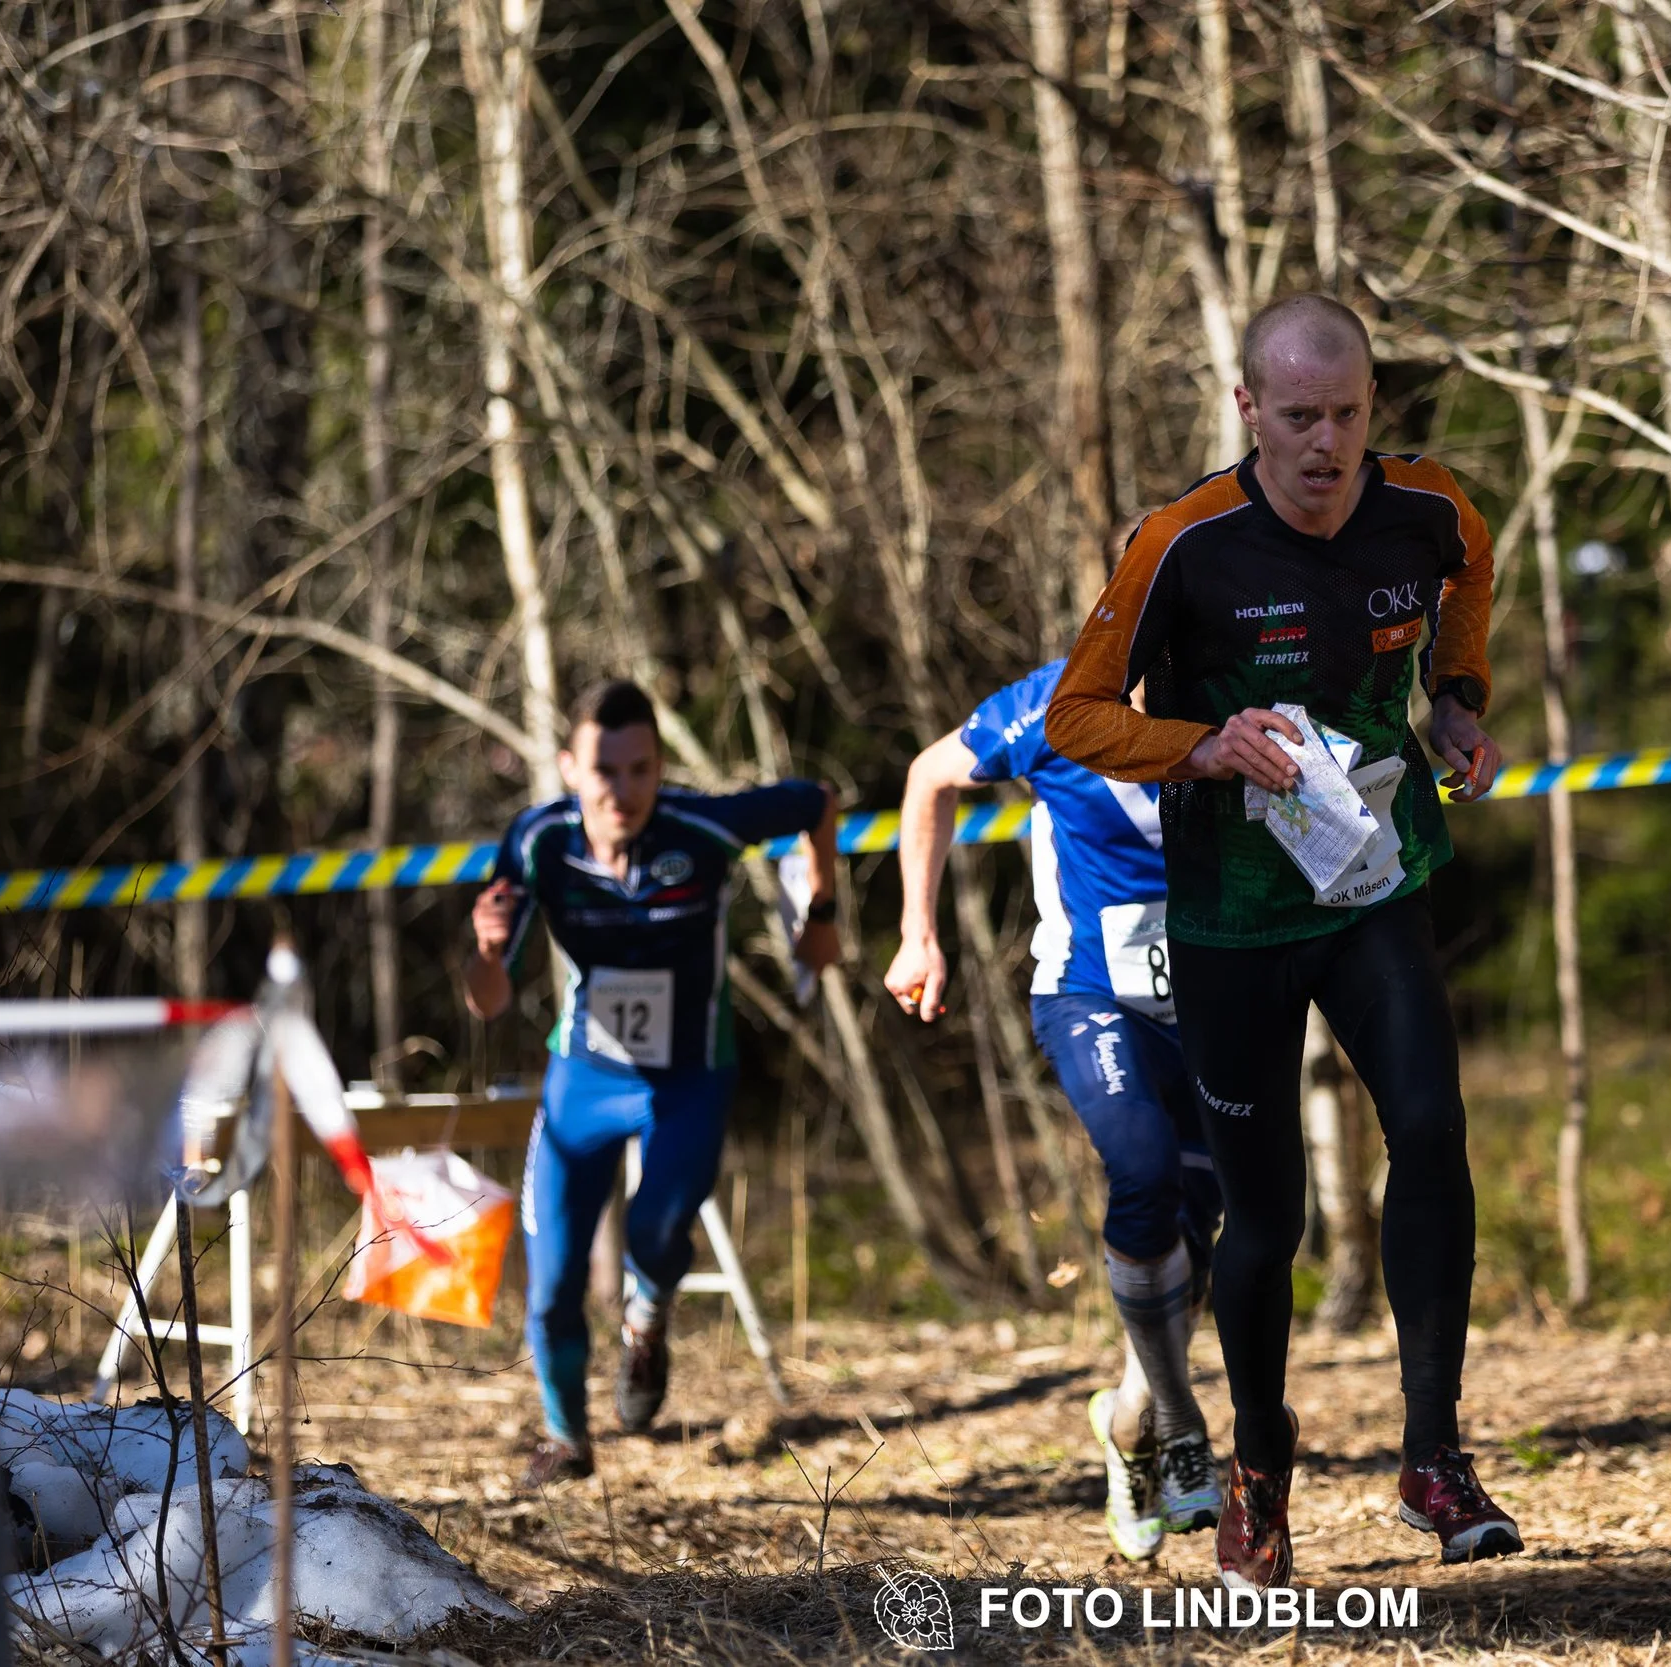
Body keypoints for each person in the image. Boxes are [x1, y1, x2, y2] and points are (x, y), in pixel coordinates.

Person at [1043, 292, 1521, 1587]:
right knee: (1268, 1220)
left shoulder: (1428, 509)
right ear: (1250, 409)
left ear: (1375, 411)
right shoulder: (1184, 544)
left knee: (1429, 1127)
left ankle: (1433, 1450)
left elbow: (1465, 584)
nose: (1326, 445)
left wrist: (1459, 705)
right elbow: (1075, 720)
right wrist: (1199, 744)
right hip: (1232, 922)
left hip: (1372, 889)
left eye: (1348, 415)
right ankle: (1260, 1464)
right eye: (1298, 416)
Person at [883, 664, 1225, 1561]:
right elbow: (929, 775)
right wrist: (920, 930)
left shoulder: (1243, 686)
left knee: (1194, 1241)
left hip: (1218, 1003)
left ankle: (1128, 1425)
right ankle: (1186, 1425)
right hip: (1091, 996)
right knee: (1142, 1173)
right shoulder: (1053, 705)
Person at [465, 679, 839, 1489]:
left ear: (659, 768)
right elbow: (486, 1001)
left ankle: (647, 1317)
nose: (623, 790)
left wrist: (824, 914)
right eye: (604, 770)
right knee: (553, 1275)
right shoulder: (537, 839)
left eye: (640, 770)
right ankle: (568, 1441)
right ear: (570, 767)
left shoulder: (701, 827)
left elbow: (816, 800)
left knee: (654, 1229)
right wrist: (487, 950)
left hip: (688, 1077)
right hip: (585, 1080)